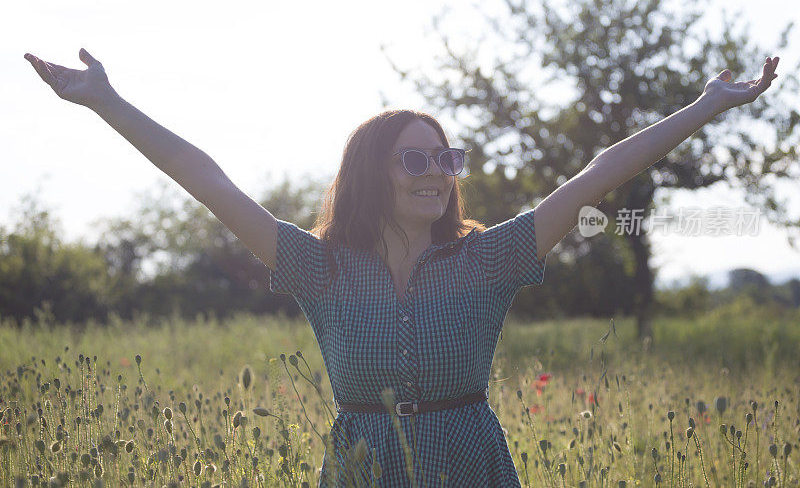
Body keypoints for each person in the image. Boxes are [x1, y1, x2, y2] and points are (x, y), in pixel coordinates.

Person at [24, 48, 779, 486]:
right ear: (370, 174)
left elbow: (595, 175)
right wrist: (106, 103)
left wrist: (706, 105)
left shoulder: (491, 257)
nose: (435, 171)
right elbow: (209, 179)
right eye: (413, 158)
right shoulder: (316, 267)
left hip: (471, 460)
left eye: (446, 157)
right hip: (361, 466)